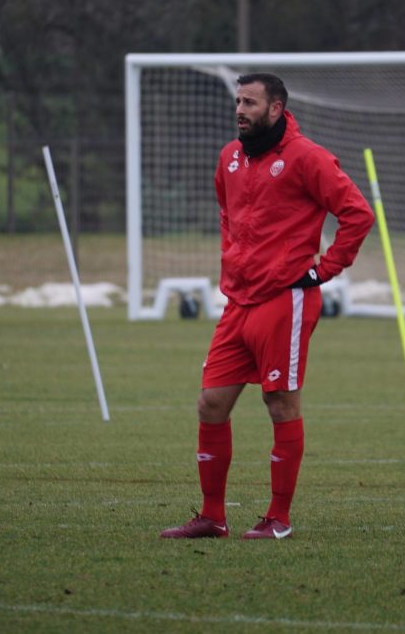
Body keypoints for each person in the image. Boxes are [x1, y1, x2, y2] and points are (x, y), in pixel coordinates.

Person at [160, 73, 374, 539]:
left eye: (250, 103)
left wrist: (323, 270)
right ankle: (212, 517)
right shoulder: (230, 158)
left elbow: (358, 214)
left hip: (285, 300)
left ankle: (279, 519)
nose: (240, 110)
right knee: (211, 403)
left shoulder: (308, 158)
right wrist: (233, 260)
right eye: (238, 101)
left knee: (279, 402)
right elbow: (227, 213)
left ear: (276, 109)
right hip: (238, 301)